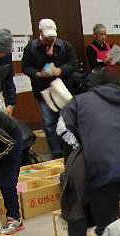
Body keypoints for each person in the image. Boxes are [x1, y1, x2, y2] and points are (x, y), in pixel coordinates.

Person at [57, 67, 120, 236]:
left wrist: (85, 150)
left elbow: (62, 129)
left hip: (102, 168)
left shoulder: (79, 101)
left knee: (107, 227)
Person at [21, 19, 78, 159]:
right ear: (40, 33)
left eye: (52, 36)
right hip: (43, 91)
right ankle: (56, 153)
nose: (50, 39)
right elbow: (25, 66)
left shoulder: (64, 46)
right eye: (47, 37)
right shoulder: (31, 47)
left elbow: (73, 64)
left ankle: (70, 149)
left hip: (63, 90)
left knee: (67, 120)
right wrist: (37, 74)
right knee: (49, 123)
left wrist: (60, 70)